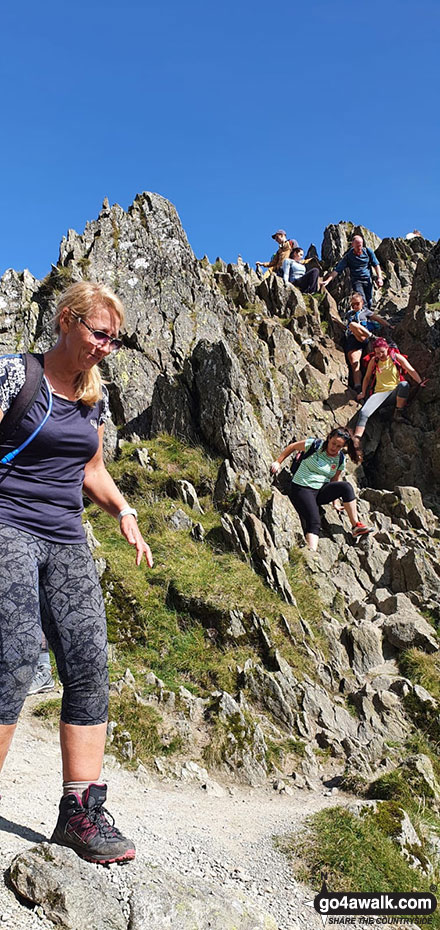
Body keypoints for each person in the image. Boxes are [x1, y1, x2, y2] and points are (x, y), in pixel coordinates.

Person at [0, 281, 153, 864]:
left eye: (115, 339)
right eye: (99, 334)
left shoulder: (95, 397)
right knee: (13, 658)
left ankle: (79, 814)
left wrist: (125, 512)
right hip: (8, 522)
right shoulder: (15, 375)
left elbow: (91, 466)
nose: (106, 347)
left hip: (66, 534)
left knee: (89, 660)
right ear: (67, 321)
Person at [270, 428, 372, 551]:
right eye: (333, 443)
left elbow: (335, 480)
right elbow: (292, 447)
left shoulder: (340, 459)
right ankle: (311, 553)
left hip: (320, 491)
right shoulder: (314, 445)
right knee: (314, 521)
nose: (334, 447)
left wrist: (335, 503)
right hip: (302, 487)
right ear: (329, 438)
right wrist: (278, 462)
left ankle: (355, 525)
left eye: (339, 446)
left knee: (346, 487)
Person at [354, 337, 426, 438]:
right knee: (364, 413)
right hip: (379, 394)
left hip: (394, 393)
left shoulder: (396, 357)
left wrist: (420, 382)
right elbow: (366, 378)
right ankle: (356, 439)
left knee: (404, 385)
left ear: (387, 348)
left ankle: (398, 413)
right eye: (377, 353)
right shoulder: (374, 360)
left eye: (382, 352)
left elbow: (410, 369)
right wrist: (363, 393)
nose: (380, 355)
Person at [344, 292, 394, 396]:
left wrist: (389, 326)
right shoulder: (349, 314)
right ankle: (358, 386)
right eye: (352, 304)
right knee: (354, 363)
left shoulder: (365, 312)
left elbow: (378, 319)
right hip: (353, 339)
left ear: (362, 303)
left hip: (363, 336)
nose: (355, 306)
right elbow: (346, 328)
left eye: (357, 303)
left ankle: (372, 337)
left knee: (353, 325)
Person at [322, 234, 383, 309]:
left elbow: (376, 265)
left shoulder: (368, 252)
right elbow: (337, 270)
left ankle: (368, 317)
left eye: (360, 245)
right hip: (357, 281)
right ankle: (363, 318)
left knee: (369, 301)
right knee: (362, 300)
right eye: (357, 246)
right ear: (353, 245)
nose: (359, 248)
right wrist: (328, 281)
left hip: (368, 280)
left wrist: (379, 278)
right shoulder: (348, 257)